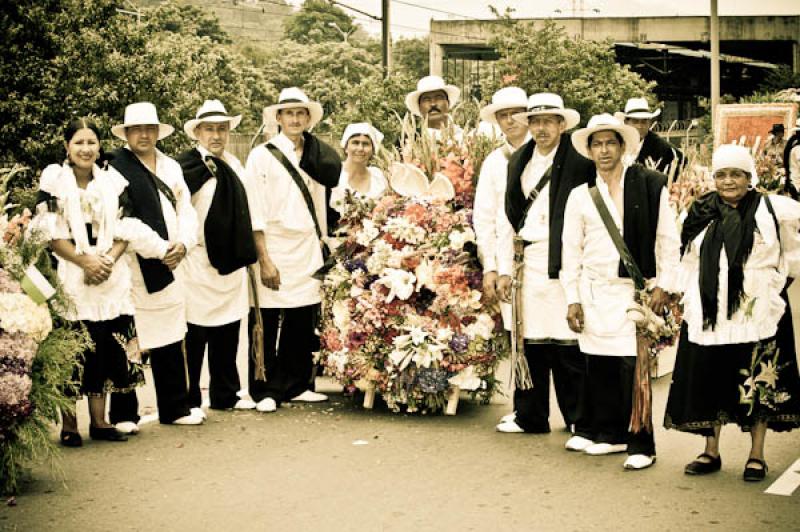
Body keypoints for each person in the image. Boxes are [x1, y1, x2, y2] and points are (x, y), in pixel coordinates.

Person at [664, 144, 800, 482]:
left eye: (736, 174)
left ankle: (757, 454)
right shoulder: (697, 212)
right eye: (722, 174)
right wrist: (687, 295)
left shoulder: (772, 210)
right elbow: (685, 259)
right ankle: (711, 450)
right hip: (710, 310)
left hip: (759, 311)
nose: (728, 181)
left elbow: (791, 254)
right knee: (711, 378)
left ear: (749, 177)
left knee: (758, 378)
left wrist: (771, 285)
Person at [34, 118, 170, 444]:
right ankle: (69, 425)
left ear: (99, 147)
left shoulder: (113, 181)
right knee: (71, 352)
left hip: (109, 272)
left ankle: (100, 420)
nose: (86, 149)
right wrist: (85, 261)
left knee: (104, 348)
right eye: (79, 142)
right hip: (70, 270)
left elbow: (128, 227)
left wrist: (107, 259)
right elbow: (50, 233)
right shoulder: (54, 181)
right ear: (67, 146)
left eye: (91, 142)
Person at [561, 113, 681, 470]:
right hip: (594, 290)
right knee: (599, 366)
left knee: (634, 368)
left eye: (610, 142)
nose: (603, 150)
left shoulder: (650, 184)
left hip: (635, 291)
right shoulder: (580, 196)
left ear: (623, 146)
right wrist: (573, 298)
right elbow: (571, 250)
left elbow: (667, 241)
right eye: (596, 144)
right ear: (589, 150)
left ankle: (642, 443)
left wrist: (665, 285)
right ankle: (610, 435)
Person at [493, 93, 593, 435]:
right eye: (535, 121)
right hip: (527, 261)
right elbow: (507, 218)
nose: (541, 128)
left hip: (564, 259)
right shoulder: (518, 159)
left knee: (567, 342)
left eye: (548, 121)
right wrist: (505, 268)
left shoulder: (580, 162)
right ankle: (530, 416)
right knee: (529, 340)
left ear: (561, 125)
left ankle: (578, 417)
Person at [245, 87, 341, 413]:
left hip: (307, 246)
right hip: (274, 245)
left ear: (308, 118)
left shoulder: (316, 155)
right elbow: (254, 212)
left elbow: (320, 204)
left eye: (301, 113)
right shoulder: (261, 155)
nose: (296, 119)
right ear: (278, 118)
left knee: (303, 318)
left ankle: (299, 384)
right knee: (268, 320)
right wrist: (264, 258)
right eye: (289, 113)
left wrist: (323, 243)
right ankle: (266, 389)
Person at [107, 102, 203, 428]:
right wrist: (160, 249)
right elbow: (122, 220)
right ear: (127, 133)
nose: (144, 134)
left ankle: (175, 407)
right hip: (134, 266)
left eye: (150, 128)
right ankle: (123, 412)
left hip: (173, 263)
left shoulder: (171, 166)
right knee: (129, 339)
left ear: (158, 132)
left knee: (171, 335)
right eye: (137, 129)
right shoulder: (114, 168)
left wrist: (184, 244)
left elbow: (186, 210)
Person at [176, 100, 259, 417]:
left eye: (221, 129)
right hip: (196, 261)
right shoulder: (184, 168)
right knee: (194, 334)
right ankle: (190, 396)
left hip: (230, 262)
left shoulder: (236, 166)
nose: (216, 135)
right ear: (197, 132)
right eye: (210, 129)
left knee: (227, 331)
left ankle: (225, 393)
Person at [473, 86, 529, 314]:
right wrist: (490, 266)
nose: (510, 121)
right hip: (507, 260)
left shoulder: (548, 155)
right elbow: (484, 218)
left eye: (516, 114)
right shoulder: (494, 162)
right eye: (503, 115)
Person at [616, 97, 684, 176]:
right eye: (635, 121)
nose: (640, 126)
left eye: (644, 121)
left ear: (649, 123)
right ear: (626, 122)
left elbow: (682, 161)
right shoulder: (617, 143)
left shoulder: (662, 148)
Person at [329, 122, 387, 214]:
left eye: (366, 144)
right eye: (355, 143)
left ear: (373, 150)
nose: (360, 148)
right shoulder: (332, 173)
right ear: (346, 147)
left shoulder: (378, 177)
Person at [403, 75, 462, 139]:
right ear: (419, 107)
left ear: (448, 103)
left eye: (439, 98)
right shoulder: (409, 140)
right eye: (426, 99)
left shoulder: (465, 138)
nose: (433, 104)